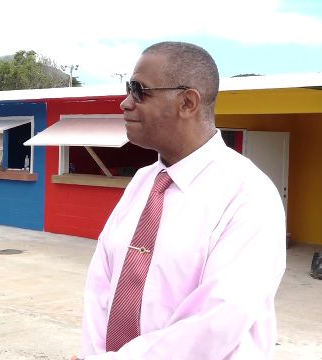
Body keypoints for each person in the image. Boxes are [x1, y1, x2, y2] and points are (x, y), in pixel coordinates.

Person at [72, 42, 286, 359]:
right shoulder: (143, 182)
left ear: (187, 102)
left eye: (139, 90)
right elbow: (101, 286)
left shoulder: (248, 194)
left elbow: (218, 320)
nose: (125, 103)